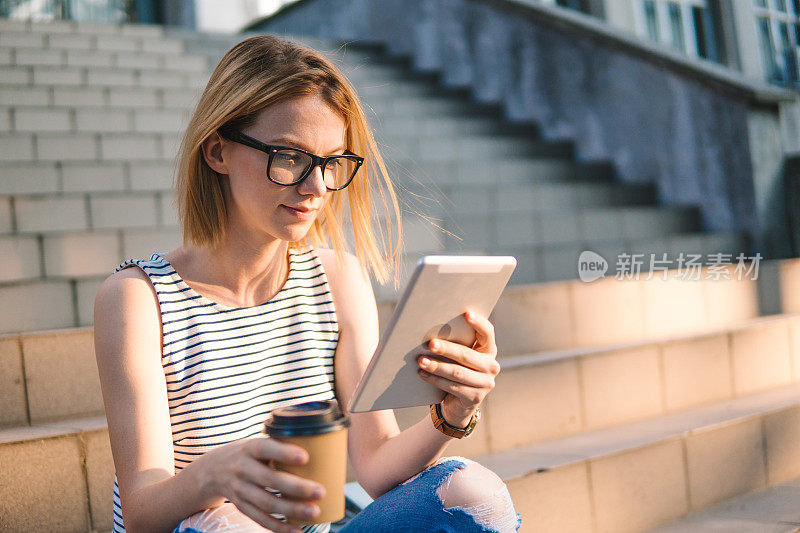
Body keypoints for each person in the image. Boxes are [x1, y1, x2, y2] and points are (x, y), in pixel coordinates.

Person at [93, 34, 521, 533]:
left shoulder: (336, 278)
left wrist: (451, 413)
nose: (317, 187)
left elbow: (378, 465)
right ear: (217, 151)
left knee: (474, 493)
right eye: (290, 157)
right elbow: (143, 513)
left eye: (331, 162)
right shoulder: (137, 298)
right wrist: (213, 475)